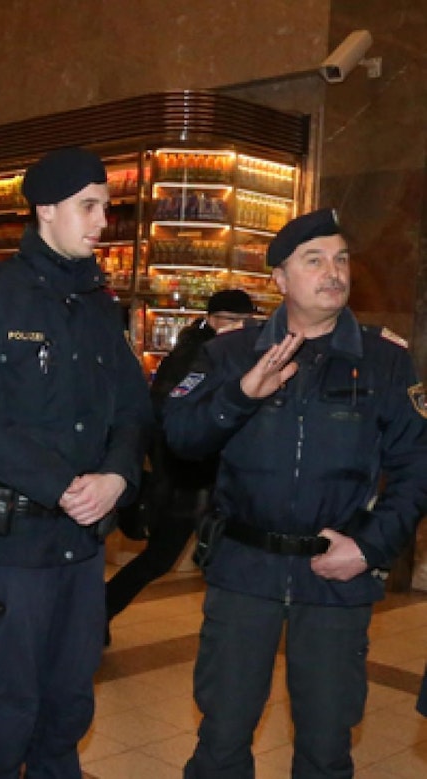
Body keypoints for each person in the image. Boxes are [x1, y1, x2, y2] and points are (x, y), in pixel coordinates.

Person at [164, 208, 427, 778]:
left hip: (335, 579)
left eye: (341, 259)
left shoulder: (384, 359)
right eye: (314, 261)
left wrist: (370, 548)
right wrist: (240, 394)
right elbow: (180, 438)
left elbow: (418, 465)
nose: (334, 272)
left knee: (327, 748)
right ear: (280, 279)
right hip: (243, 572)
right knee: (222, 739)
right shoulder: (234, 353)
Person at [0, 147, 153, 778]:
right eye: (88, 206)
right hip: (13, 551)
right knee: (3, 719)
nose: (102, 221)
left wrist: (116, 476)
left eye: (106, 207)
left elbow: (133, 410)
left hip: (82, 549)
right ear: (46, 209)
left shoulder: (99, 306)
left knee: (66, 714)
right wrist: (61, 486)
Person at [105, 288, 255, 644]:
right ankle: (98, 610)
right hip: (186, 481)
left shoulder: (225, 352)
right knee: (159, 558)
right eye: (231, 321)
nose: (238, 328)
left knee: (201, 560)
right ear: (212, 318)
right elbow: (167, 417)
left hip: (204, 481)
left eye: (244, 322)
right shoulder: (196, 354)